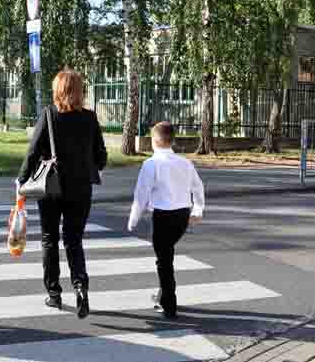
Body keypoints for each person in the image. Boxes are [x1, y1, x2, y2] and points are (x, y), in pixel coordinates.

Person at [17, 69, 107, 319]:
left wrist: (21, 180)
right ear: (80, 91)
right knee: (74, 240)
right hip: (81, 189)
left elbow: (33, 152)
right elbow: (102, 157)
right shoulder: (90, 118)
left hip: (50, 187)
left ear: (57, 90)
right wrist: (88, 166)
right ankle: (80, 287)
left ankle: (54, 294)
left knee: (49, 238)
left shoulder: (48, 115)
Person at [127, 121, 204, 319]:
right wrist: (197, 209)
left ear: (154, 141)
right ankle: (163, 294)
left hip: (162, 217)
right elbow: (198, 186)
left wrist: (133, 219)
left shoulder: (151, 164)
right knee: (166, 255)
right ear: (172, 140)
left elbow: (141, 194)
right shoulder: (185, 163)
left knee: (164, 261)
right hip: (182, 217)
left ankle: (169, 304)